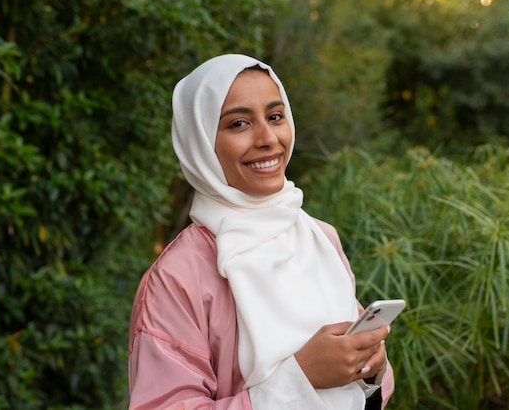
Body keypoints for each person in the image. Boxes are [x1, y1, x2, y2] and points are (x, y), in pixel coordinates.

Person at [128, 54, 395, 409]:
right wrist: (300, 381)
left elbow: (365, 387)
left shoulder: (319, 238)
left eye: (274, 116)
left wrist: (368, 368)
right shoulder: (177, 278)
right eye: (239, 123)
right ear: (201, 143)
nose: (268, 138)